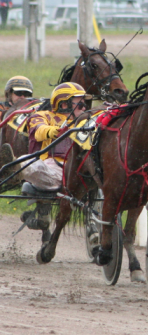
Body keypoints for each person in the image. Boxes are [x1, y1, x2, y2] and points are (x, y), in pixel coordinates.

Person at [0, 82, 86, 230]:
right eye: (79, 103)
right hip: (53, 170)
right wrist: (55, 131)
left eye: (84, 102)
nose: (84, 107)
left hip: (82, 171)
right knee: (33, 163)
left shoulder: (86, 120)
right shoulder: (42, 116)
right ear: (64, 104)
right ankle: (14, 167)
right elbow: (38, 130)